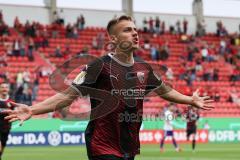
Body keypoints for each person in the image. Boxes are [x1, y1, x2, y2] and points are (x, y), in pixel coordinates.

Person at [2, 15, 213, 160]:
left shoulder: (144, 68)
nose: (135, 33)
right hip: (101, 144)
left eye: (135, 29)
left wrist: (190, 99)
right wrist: (33, 109)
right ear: (113, 39)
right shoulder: (99, 66)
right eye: (128, 30)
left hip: (128, 144)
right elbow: (66, 97)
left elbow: (165, 91)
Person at [0, 80, 14, 160]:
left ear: (8, 89)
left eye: (6, 87)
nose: (4, 89)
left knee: (3, 144)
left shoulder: (11, 101)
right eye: (2, 87)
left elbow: (15, 112)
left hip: (6, 127)